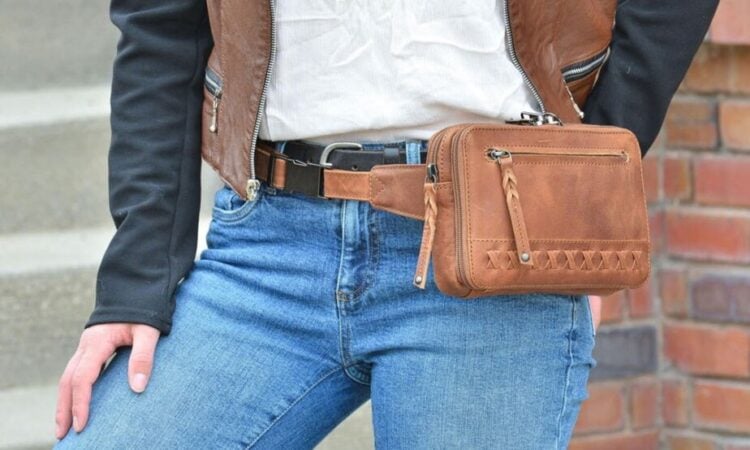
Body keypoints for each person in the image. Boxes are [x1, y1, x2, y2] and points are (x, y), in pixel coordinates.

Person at [54, 1, 718, 448]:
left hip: (488, 251)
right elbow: (161, 25)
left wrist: (574, 186)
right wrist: (137, 281)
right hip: (266, 249)